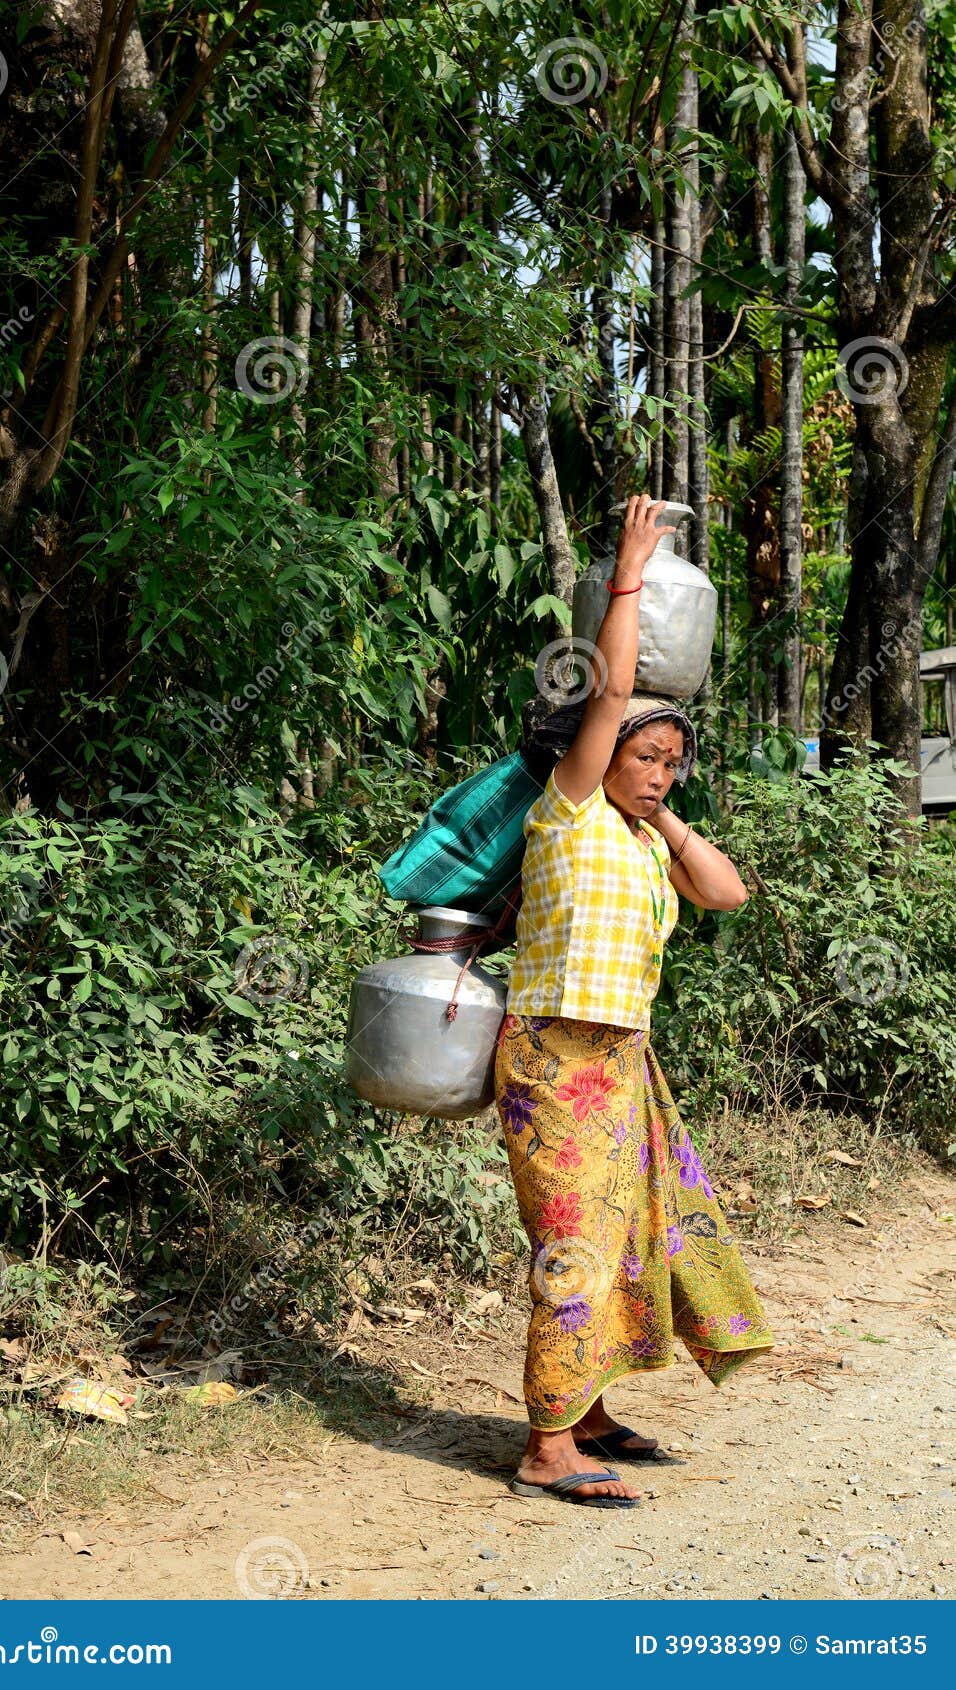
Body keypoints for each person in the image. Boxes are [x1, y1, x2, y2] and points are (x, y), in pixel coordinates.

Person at [495, 493, 774, 1509]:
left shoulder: (650, 837)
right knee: (572, 1235)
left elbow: (728, 892)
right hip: (551, 1058)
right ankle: (546, 1446)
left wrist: (670, 812)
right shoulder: (566, 811)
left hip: (619, 1060)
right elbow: (613, 689)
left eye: (670, 759)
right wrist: (625, 574)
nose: (655, 770)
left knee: (625, 1234)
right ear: (593, 754)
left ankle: (593, 1409)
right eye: (641, 755)